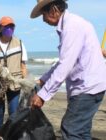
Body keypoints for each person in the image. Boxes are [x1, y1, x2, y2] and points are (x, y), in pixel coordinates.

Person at [30, 0, 106, 140]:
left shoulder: (72, 27)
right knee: (81, 131)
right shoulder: (70, 24)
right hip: (91, 86)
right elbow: (64, 62)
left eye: (44, 14)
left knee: (70, 129)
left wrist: (42, 95)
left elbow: (65, 66)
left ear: (53, 10)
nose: (43, 20)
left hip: (87, 88)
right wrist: (44, 79)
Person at [0, 16, 28, 139]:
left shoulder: (19, 43)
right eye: (7, 26)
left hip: (15, 83)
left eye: (12, 26)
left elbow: (23, 66)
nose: (10, 29)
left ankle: (11, 135)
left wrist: (25, 84)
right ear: (0, 28)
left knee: (13, 113)